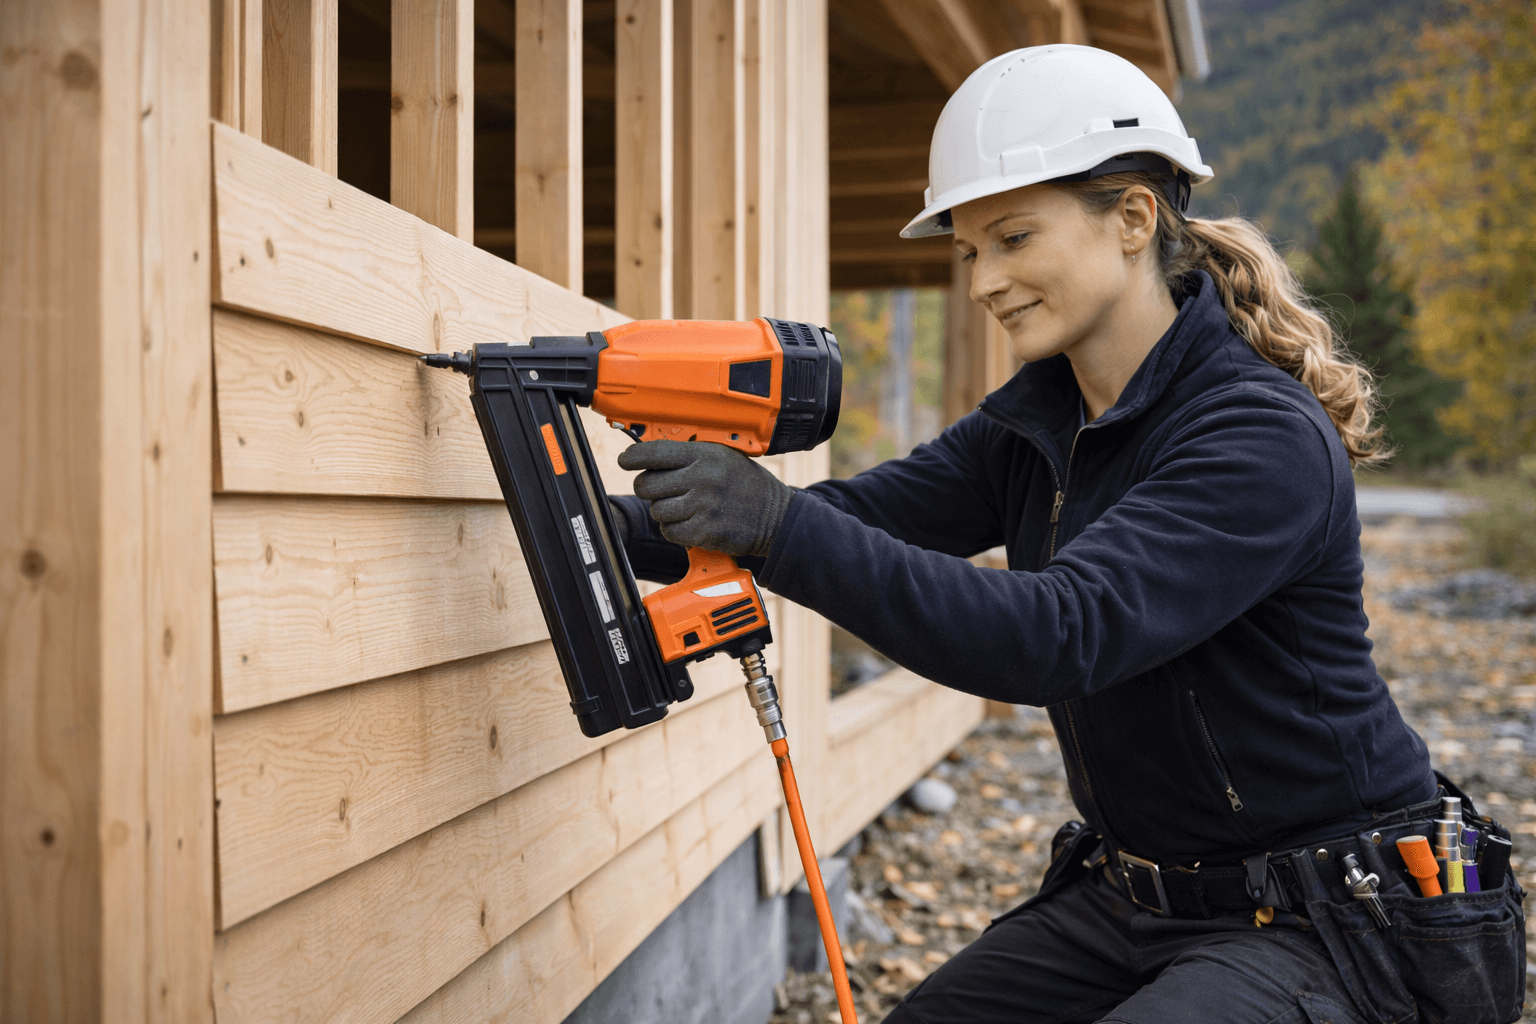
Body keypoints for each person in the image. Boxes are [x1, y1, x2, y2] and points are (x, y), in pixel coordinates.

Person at [609, 45, 1524, 1024]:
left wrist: (774, 523)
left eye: (1013, 238)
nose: (984, 282)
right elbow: (856, 520)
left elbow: (1057, 632)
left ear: (1132, 218)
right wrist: (617, 526)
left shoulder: (1259, 435)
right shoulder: (1034, 426)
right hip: (1138, 896)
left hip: (1341, 922)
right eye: (971, 252)